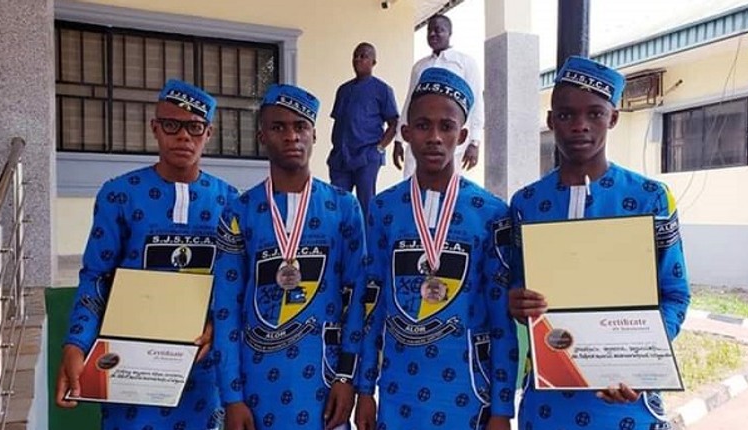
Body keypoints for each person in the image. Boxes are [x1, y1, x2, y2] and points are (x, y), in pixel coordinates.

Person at [508, 56, 691, 430]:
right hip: (547, 406)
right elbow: (514, 284)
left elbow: (675, 294)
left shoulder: (651, 198)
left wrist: (641, 360)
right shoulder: (526, 204)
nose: (579, 127)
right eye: (565, 115)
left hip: (626, 401)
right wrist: (516, 301)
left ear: (613, 117)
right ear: (550, 120)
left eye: (594, 114)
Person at [56, 79, 236, 430]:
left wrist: (219, 326)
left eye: (194, 127)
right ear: (155, 128)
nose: (183, 136)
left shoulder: (230, 202)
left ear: (208, 133)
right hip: (129, 367)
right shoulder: (119, 195)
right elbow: (96, 277)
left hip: (201, 368)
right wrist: (75, 345)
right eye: (171, 125)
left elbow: (234, 284)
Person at [355, 67, 518, 430]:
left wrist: (503, 409)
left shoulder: (491, 213)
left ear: (461, 135)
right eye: (424, 125)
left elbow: (500, 318)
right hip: (399, 392)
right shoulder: (384, 208)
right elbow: (371, 304)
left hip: (468, 390)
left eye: (446, 127)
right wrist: (364, 389)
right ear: (406, 132)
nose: (434, 137)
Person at [212, 84, 368, 430]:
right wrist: (232, 397)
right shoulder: (239, 212)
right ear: (262, 136)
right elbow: (225, 309)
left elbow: (358, 300)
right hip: (255, 385)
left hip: (325, 384)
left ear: (314, 135)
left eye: (301, 127)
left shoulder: (344, 207)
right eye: (278, 127)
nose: (291, 136)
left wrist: (347, 377)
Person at [393, 14, 484, 178]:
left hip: (452, 141)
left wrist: (475, 142)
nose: (433, 34)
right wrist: (399, 139)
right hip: (420, 138)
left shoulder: (465, 63)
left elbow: (476, 103)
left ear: (449, 33)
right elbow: (410, 103)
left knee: (449, 191)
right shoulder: (419, 67)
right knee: (411, 186)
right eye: (430, 31)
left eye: (438, 30)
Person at [328, 42, 399, 214]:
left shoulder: (382, 90)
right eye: (356, 56)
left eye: (364, 56)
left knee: (365, 205)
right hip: (341, 157)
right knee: (337, 204)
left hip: (366, 156)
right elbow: (339, 120)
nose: (358, 59)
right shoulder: (343, 90)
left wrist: (379, 148)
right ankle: (341, 241)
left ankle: (367, 241)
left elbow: (394, 123)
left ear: (373, 62)